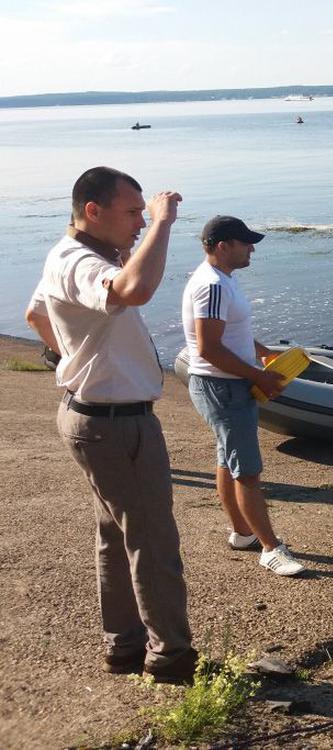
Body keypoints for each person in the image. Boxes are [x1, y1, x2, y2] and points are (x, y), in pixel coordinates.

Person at [25, 166, 196, 683]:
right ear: (92, 211)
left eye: (146, 212)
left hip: (95, 415)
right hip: (115, 423)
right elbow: (136, 290)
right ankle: (170, 658)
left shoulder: (78, 255)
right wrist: (167, 223)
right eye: (133, 212)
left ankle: (124, 647)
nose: (141, 222)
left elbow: (35, 315)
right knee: (152, 541)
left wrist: (77, 357)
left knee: (117, 535)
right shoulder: (78, 261)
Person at [181, 216, 306, 577]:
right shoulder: (212, 285)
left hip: (224, 384)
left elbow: (229, 334)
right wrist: (259, 376)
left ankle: (241, 532)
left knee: (227, 458)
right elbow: (207, 347)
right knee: (248, 470)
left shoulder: (219, 281)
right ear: (223, 246)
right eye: (245, 242)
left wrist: (263, 352)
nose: (251, 248)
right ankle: (270, 549)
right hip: (223, 387)